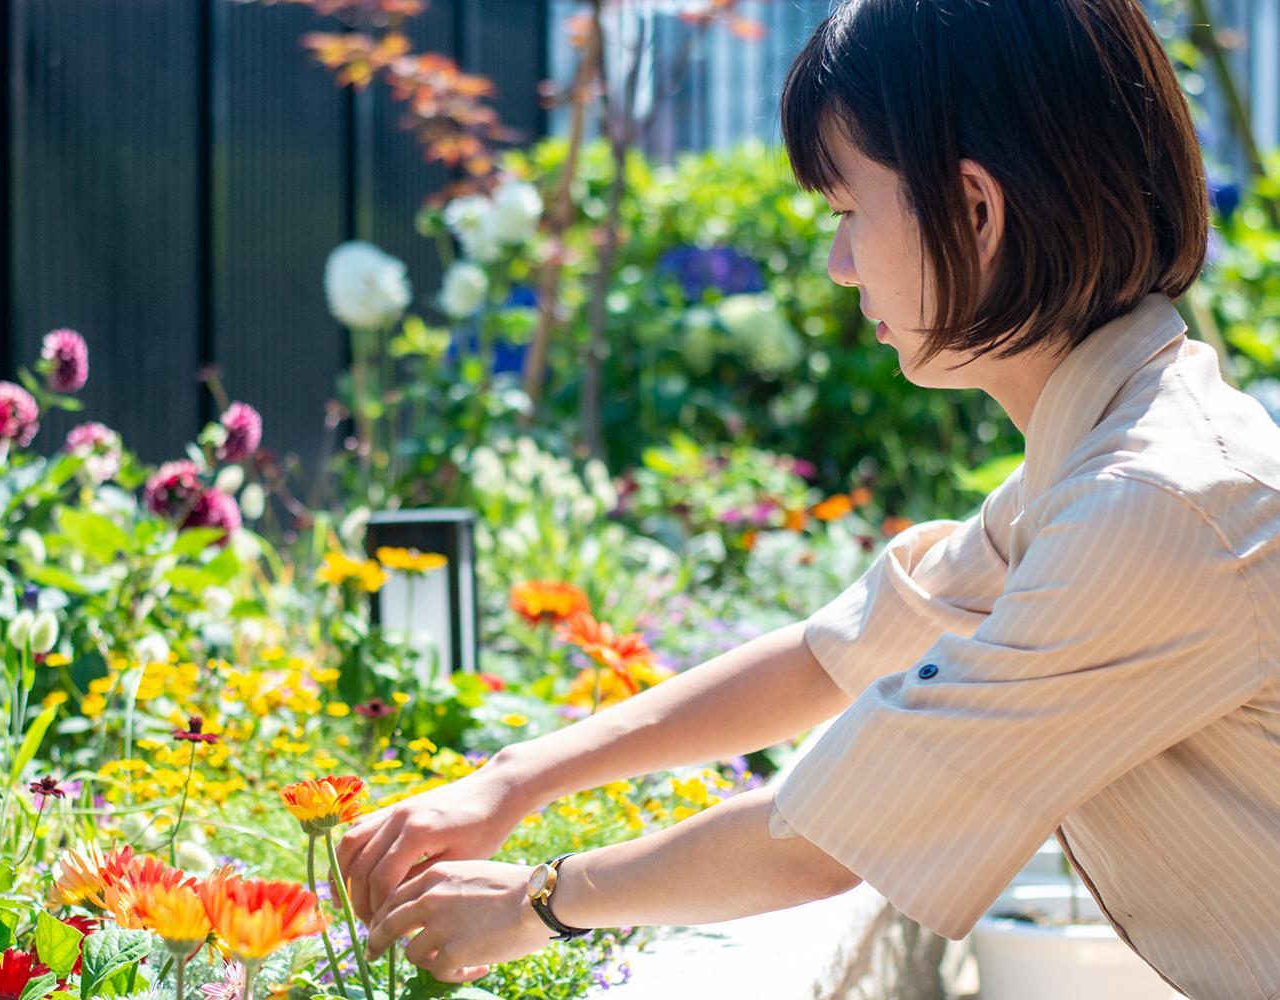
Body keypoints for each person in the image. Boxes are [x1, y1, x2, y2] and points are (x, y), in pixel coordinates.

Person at [337, 0, 1280, 995]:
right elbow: (846, 647)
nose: (837, 265)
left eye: (846, 211)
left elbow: (835, 832)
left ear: (974, 210)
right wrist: (512, 779)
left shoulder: (1152, 504)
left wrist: (537, 902)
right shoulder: (1118, 449)